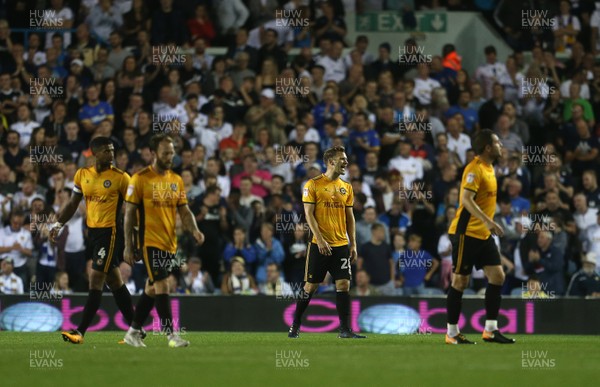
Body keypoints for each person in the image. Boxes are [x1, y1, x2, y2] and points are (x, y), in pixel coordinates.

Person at [51, 137, 136, 344]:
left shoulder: (121, 177)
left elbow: (134, 208)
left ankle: (79, 332)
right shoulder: (83, 175)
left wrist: (135, 239)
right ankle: (137, 329)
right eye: (107, 150)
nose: (112, 154)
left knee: (95, 279)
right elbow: (73, 204)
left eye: (113, 150)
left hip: (110, 233)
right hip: (93, 234)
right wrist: (57, 224)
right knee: (115, 281)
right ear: (95, 153)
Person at [122, 134, 205, 348]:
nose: (170, 156)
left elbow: (184, 210)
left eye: (172, 152)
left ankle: (132, 332)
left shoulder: (176, 180)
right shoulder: (139, 178)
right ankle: (171, 335)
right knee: (163, 283)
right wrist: (129, 245)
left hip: (170, 243)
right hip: (149, 241)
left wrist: (194, 229)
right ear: (153, 153)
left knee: (152, 289)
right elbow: (129, 214)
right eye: (166, 152)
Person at [445, 129, 515, 344]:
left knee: (498, 277)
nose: (501, 146)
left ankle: (490, 330)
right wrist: (488, 221)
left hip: (483, 235)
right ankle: (452, 333)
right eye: (497, 142)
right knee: (460, 281)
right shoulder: (474, 169)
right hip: (467, 233)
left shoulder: (490, 167)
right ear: (487, 147)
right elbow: (466, 199)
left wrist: (487, 225)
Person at [288, 145, 366, 339]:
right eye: (342, 159)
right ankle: (295, 324)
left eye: (346, 159)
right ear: (331, 162)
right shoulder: (312, 184)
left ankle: (345, 330)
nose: (346, 162)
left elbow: (350, 218)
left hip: (340, 245)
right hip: (318, 245)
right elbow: (308, 214)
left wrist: (353, 243)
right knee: (310, 287)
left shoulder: (346, 187)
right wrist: (320, 240)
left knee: (343, 285)